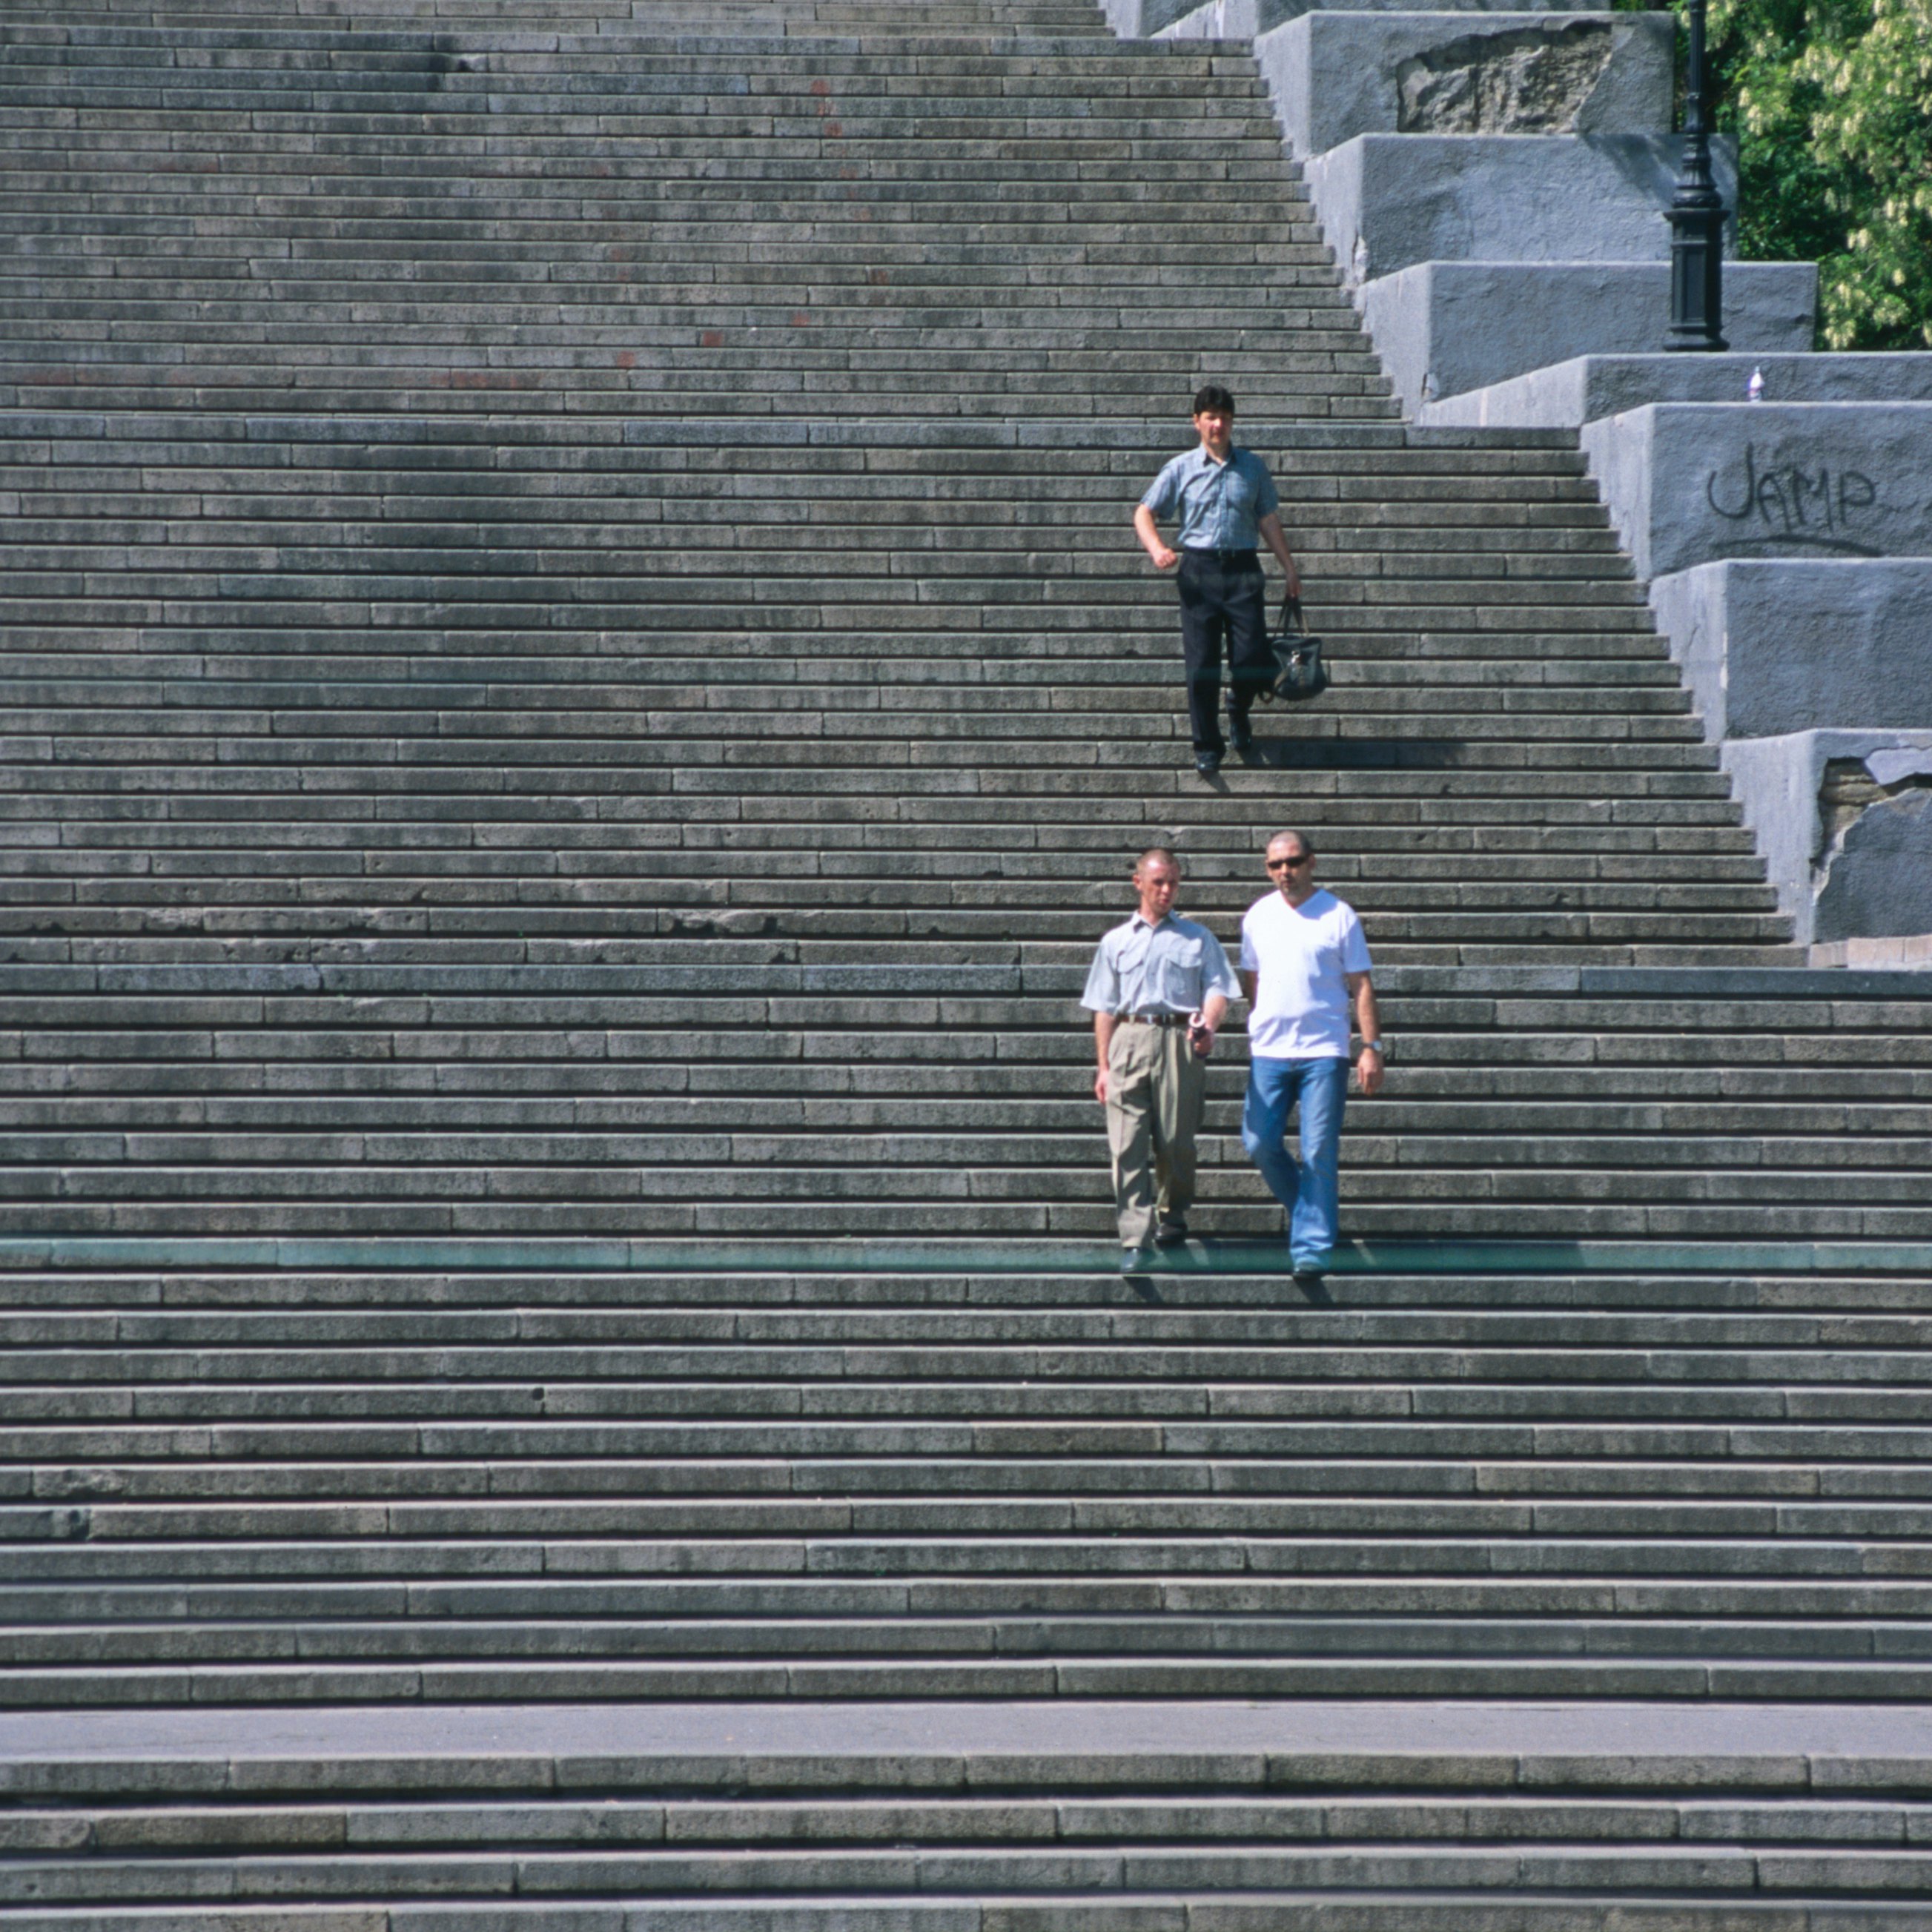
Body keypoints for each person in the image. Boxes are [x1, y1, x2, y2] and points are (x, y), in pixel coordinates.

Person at [1133, 384, 1305, 778]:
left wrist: (1289, 569)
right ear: (1196, 422)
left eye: (1224, 417)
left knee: (1251, 659)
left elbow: (1268, 519)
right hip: (1199, 572)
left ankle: (1238, 708)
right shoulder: (1180, 468)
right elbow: (1144, 513)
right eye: (1210, 417)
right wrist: (1158, 549)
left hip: (1244, 570)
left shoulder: (1253, 467)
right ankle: (1207, 745)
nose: (1218, 424)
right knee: (1201, 665)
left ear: (1232, 422)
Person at [1081, 847, 1240, 1271]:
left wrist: (1208, 1024)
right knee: (1126, 1143)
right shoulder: (1115, 941)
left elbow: (1219, 988)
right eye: (1158, 883)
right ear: (1139, 883)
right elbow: (1103, 1006)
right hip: (1129, 1037)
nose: (1167, 890)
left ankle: (1173, 1213)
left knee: (1176, 1140)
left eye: (1173, 882)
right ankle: (1134, 1236)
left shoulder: (1197, 937)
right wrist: (1103, 1066)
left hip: (1177, 1040)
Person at [1237, 829, 1384, 1284]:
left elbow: (1360, 985)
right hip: (1270, 1051)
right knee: (1258, 1142)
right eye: (1275, 865)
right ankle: (1313, 1212)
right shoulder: (1258, 915)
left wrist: (1370, 1047)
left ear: (1312, 862)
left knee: (1319, 1149)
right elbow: (1251, 980)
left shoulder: (1338, 915)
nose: (1285, 872)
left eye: (1293, 862)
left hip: (1324, 1051)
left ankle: (1311, 1247)